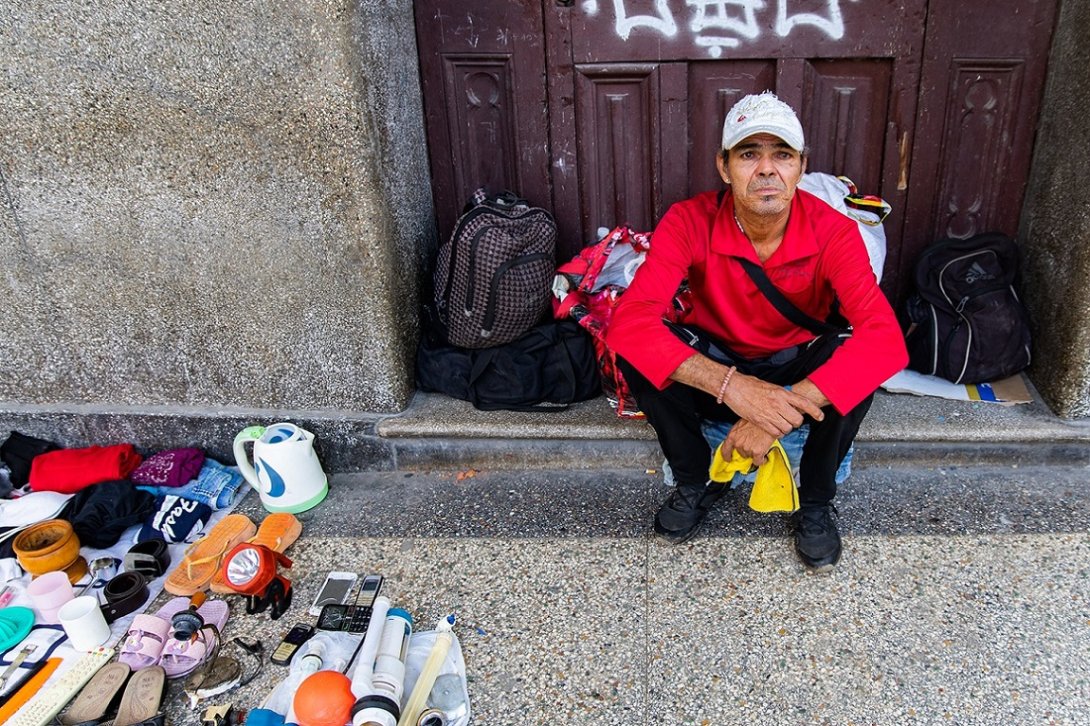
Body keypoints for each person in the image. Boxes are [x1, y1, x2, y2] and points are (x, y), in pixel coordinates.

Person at [606, 92, 908, 570]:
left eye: (782, 155)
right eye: (749, 154)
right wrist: (733, 388)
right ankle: (693, 479)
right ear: (724, 167)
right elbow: (629, 323)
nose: (766, 169)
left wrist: (771, 415)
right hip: (721, 363)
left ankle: (814, 499)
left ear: (800, 167)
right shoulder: (688, 219)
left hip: (796, 365)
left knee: (857, 358)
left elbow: (886, 340)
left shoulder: (834, 230)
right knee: (640, 352)